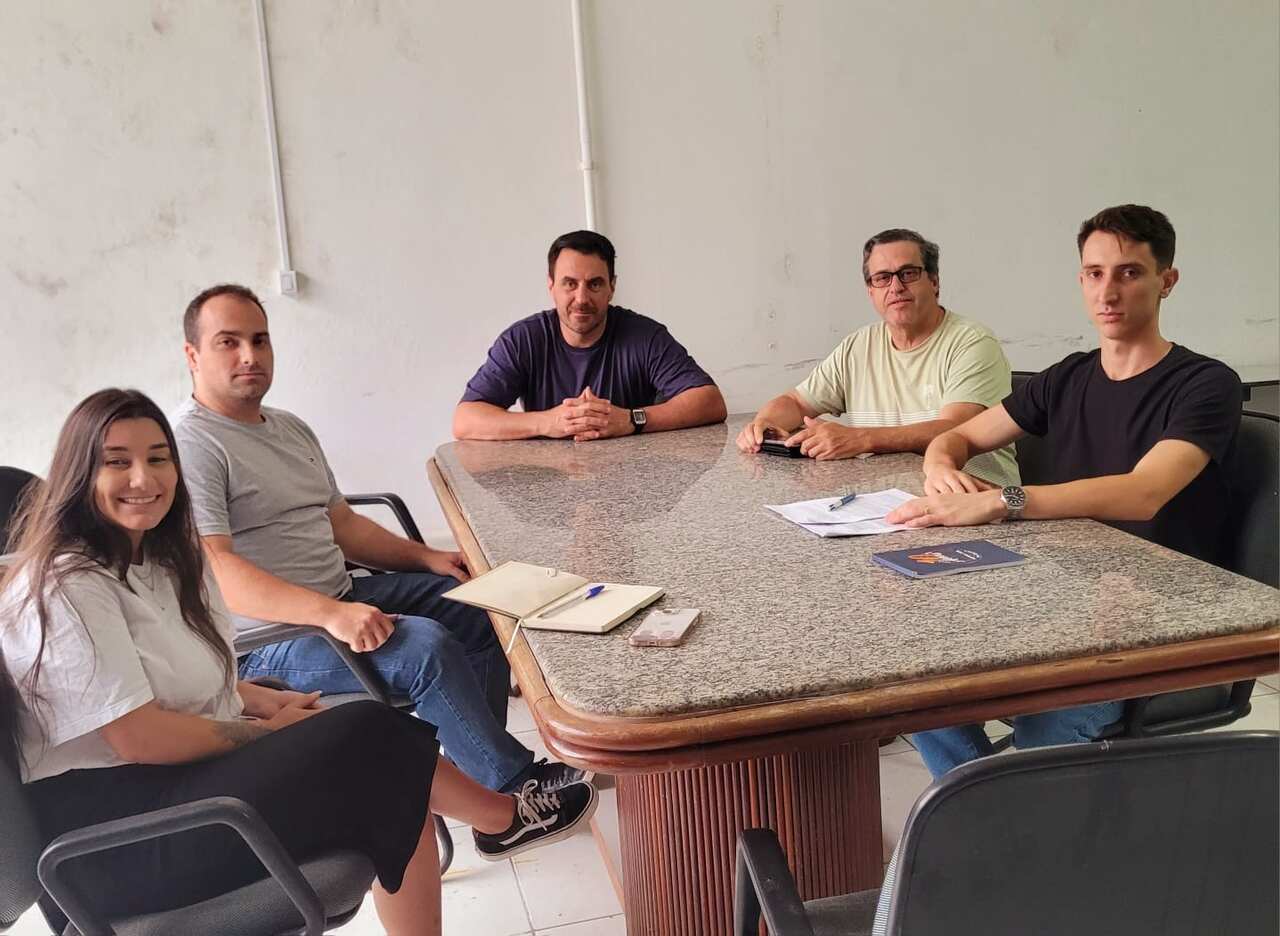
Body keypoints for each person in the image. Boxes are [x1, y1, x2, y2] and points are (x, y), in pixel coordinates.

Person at [0, 389, 597, 935]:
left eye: (158, 459)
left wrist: (259, 699)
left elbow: (172, 682)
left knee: (390, 775)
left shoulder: (155, 561)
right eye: (117, 461)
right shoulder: (68, 585)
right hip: (115, 840)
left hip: (170, 787)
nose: (143, 477)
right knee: (369, 735)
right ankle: (502, 816)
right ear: (78, 475)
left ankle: (500, 817)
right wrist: (262, 732)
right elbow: (137, 736)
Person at [171, 284, 587, 797]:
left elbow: (343, 525)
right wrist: (330, 614)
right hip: (267, 643)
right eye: (228, 342)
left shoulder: (289, 429)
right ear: (192, 355)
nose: (250, 356)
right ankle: (515, 791)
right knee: (425, 649)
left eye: (260, 340)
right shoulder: (193, 445)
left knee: (482, 606)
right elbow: (218, 570)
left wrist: (427, 558)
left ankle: (481, 777)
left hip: (339, 595)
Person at [885, 204, 1243, 778]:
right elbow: (960, 435)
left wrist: (1002, 501)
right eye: (1095, 273)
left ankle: (993, 804)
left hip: (1156, 613)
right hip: (1061, 593)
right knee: (907, 666)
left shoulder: (1205, 383)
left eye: (1129, 272)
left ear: (1166, 281)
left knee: (1039, 732)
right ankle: (989, 802)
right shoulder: (1069, 375)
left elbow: (1144, 493)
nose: (1108, 291)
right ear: (1081, 280)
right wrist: (940, 464)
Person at [737, 228, 1019, 487]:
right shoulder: (858, 346)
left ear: (934, 282)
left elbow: (957, 429)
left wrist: (861, 439)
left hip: (973, 499)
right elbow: (796, 402)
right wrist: (764, 424)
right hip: (887, 505)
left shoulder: (972, 343)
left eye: (908, 273)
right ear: (871, 291)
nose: (895, 287)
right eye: (882, 278)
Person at [453, 230, 727, 441]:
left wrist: (631, 420)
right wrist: (549, 422)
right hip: (548, 485)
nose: (581, 298)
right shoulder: (521, 341)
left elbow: (710, 401)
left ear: (612, 287)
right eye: (570, 284)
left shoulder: (645, 336)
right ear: (551, 286)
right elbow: (465, 420)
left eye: (594, 284)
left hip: (634, 483)